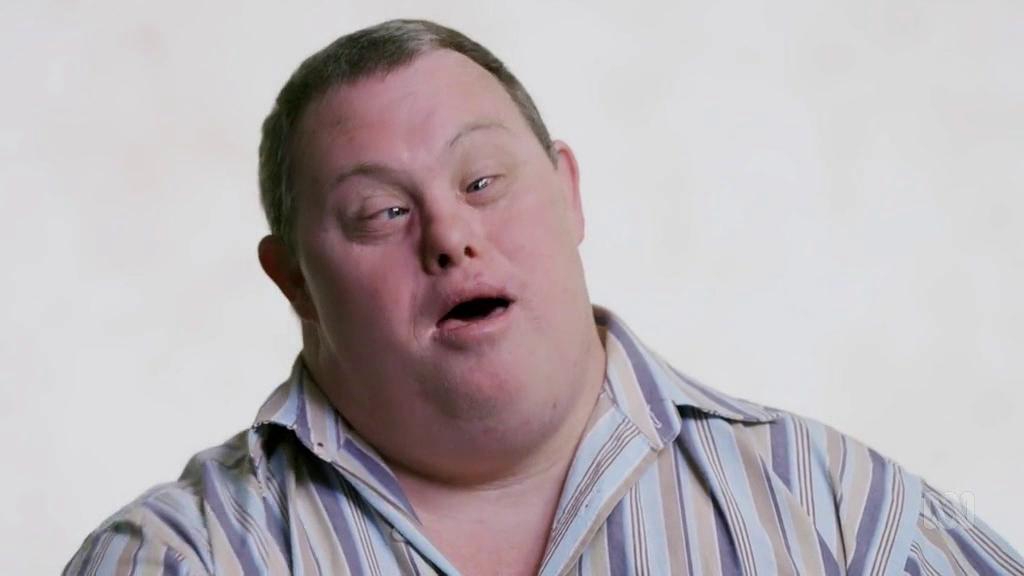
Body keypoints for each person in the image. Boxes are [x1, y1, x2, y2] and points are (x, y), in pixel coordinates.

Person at [65, 19, 1023, 576]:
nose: (450, 235)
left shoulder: (837, 511)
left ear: (568, 192)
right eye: (382, 212)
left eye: (482, 181)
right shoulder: (183, 557)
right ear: (293, 281)